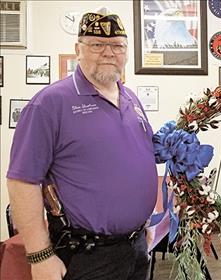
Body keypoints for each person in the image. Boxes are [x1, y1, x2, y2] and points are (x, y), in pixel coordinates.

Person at [6, 7, 158, 280]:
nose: (109, 52)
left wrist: (141, 222)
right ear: (78, 49)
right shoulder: (49, 104)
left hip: (135, 247)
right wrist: (39, 256)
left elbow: (135, 160)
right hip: (88, 256)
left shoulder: (132, 99)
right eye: (98, 44)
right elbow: (22, 181)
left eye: (117, 45)